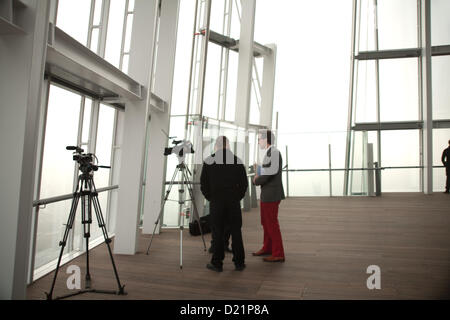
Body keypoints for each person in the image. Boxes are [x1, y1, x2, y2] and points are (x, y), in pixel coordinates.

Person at [200, 136, 248, 272]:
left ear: (216, 146)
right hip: (233, 202)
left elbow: (203, 184)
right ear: (228, 146)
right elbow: (244, 184)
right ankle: (239, 263)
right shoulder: (237, 161)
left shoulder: (209, 161)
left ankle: (217, 263)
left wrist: (211, 198)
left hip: (217, 202)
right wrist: (237, 197)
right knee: (236, 232)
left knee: (217, 232)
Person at [253, 130, 286, 262]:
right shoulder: (270, 153)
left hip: (271, 194)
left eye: (259, 139)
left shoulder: (274, 153)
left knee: (271, 223)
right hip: (267, 193)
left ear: (266, 140)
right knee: (265, 222)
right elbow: (268, 170)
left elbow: (270, 174)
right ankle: (268, 248)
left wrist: (256, 180)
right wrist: (259, 168)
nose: (258, 141)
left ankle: (278, 253)